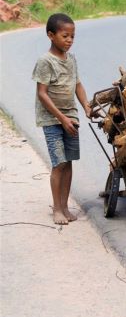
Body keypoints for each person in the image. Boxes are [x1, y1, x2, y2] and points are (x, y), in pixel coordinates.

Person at [32, 13, 91, 225]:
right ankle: (56, 208)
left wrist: (85, 106)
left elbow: (78, 85)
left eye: (72, 36)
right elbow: (42, 93)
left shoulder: (71, 59)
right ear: (51, 35)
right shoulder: (45, 61)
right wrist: (62, 119)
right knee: (59, 163)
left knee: (69, 163)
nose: (69, 40)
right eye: (65, 36)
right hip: (52, 120)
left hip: (71, 117)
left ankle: (65, 206)